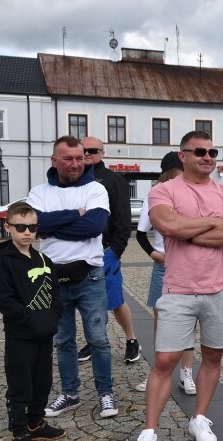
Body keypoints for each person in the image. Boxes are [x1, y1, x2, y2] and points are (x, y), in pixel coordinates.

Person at [127, 131, 223, 441]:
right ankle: (149, 432)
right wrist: (209, 224)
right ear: (183, 155)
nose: (208, 157)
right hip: (177, 289)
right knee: (165, 361)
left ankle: (200, 417)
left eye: (212, 151)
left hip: (221, 287)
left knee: (213, 356)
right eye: (200, 151)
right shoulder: (163, 190)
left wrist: (188, 229)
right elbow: (167, 225)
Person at [27, 136, 117, 419]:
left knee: (98, 339)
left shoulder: (95, 190)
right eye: (68, 158)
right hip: (52, 277)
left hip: (89, 276)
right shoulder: (39, 192)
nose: (76, 163)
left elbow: (93, 228)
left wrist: (50, 225)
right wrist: (72, 215)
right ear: (54, 160)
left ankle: (105, 393)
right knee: (63, 340)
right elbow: (31, 225)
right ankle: (70, 393)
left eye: (80, 157)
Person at [0, 201, 65, 441]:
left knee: (43, 381)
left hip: (44, 333)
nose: (27, 232)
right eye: (20, 227)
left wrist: (52, 318)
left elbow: (54, 293)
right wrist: (28, 320)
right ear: (8, 227)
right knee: (21, 385)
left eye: (31, 227)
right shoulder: (5, 262)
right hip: (20, 335)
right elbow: (5, 300)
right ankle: (19, 433)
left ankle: (36, 423)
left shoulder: (44, 259)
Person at [133, 151, 196, 395]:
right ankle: (157, 374)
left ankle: (186, 374)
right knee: (161, 324)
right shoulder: (156, 196)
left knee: (189, 322)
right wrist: (154, 254)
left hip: (191, 265)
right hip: (164, 266)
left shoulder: (193, 193)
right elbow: (140, 234)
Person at [78, 137, 141, 364]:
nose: (87, 154)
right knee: (89, 301)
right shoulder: (74, 178)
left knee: (114, 300)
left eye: (92, 150)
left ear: (102, 153)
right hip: (80, 251)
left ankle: (132, 339)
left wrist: (116, 250)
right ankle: (94, 340)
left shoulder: (115, 180)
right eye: (83, 150)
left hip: (105, 250)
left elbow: (123, 219)